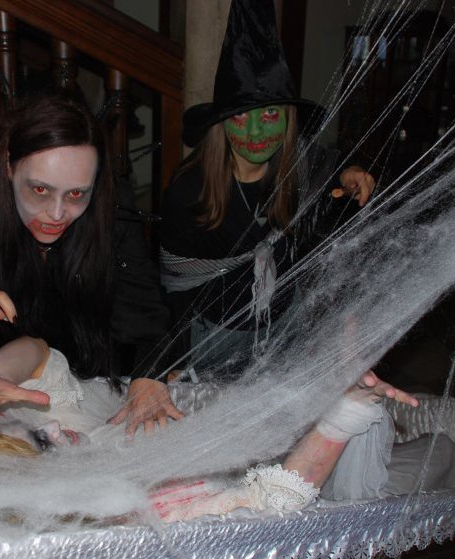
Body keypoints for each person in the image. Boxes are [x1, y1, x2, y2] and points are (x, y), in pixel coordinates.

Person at [0, 336, 455, 522]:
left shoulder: (71, 434)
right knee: (427, 461)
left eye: (40, 431)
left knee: (406, 441)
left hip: (262, 455)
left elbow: (37, 353)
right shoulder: (134, 508)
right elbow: (271, 502)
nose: (59, 433)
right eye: (47, 446)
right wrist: (341, 418)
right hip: (306, 491)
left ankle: (452, 455)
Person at [0, 93, 182, 436]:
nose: (56, 214)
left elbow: (148, 319)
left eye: (76, 194)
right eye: (40, 190)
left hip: (85, 400)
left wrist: (149, 377)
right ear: (9, 166)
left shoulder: (112, 215)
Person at [159, 0, 377, 374]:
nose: (256, 132)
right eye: (240, 117)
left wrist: (351, 171)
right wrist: (172, 361)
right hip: (215, 337)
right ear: (222, 123)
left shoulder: (300, 165)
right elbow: (173, 286)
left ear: (288, 120)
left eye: (270, 114)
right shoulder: (189, 190)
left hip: (287, 323)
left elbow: (334, 163)